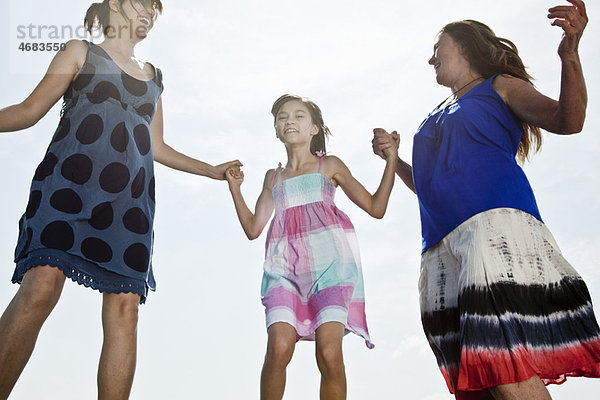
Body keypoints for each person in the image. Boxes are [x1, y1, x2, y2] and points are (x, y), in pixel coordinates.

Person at [0, 1, 241, 398]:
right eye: (142, 2)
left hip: (129, 206)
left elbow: (158, 146)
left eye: (156, 9)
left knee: (126, 311)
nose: (150, 12)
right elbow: (29, 110)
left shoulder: (153, 78)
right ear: (114, 3)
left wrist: (211, 170)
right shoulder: (80, 51)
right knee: (41, 286)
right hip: (67, 187)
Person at [372, 1, 600, 399]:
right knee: (478, 381)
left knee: (498, 357)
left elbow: (570, 120)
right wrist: (394, 159)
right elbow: (429, 184)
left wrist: (570, 53)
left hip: (491, 230)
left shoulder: (498, 87)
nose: (431, 59)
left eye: (437, 47)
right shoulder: (432, 115)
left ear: (463, 45)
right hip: (440, 246)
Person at [224, 94, 397, 400]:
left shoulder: (328, 165)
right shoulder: (273, 177)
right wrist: (235, 189)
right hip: (283, 272)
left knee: (329, 354)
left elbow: (376, 206)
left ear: (314, 128)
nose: (289, 121)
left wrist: (392, 160)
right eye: (282, 117)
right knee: (278, 348)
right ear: (277, 129)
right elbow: (253, 228)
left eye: (299, 116)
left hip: (330, 271)